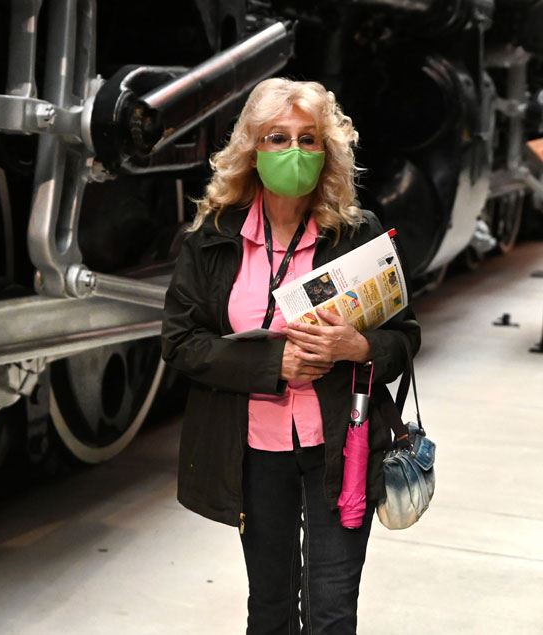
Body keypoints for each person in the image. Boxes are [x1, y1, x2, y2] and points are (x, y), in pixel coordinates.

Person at [160, 78, 420, 634]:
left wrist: (360, 346)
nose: (294, 152)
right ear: (253, 149)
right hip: (255, 453)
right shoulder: (211, 239)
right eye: (278, 138)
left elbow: (406, 337)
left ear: (327, 151)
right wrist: (270, 366)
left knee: (330, 612)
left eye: (308, 139)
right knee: (271, 607)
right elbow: (180, 343)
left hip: (341, 448)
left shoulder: (357, 233)